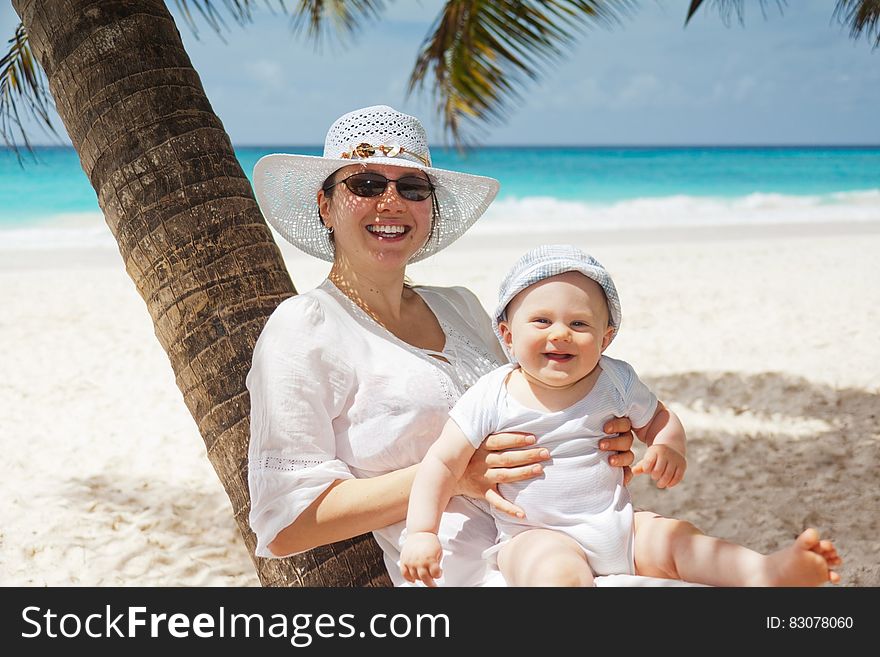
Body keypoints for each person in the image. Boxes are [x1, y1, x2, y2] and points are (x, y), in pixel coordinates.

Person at [248, 105, 695, 586]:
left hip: (579, 544)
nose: (392, 202)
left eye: (413, 188)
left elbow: (536, 398)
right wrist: (456, 475)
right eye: (366, 185)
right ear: (325, 205)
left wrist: (602, 432)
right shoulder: (305, 327)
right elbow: (286, 527)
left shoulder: (459, 306)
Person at [400, 245, 843, 587]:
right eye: (541, 320)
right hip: (533, 534)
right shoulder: (492, 394)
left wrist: (669, 447)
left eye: (579, 324)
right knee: (553, 572)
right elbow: (442, 463)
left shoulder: (615, 380)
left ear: (606, 338)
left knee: (681, 539)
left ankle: (767, 571)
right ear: (506, 334)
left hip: (620, 527)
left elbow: (660, 420)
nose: (560, 334)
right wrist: (423, 530)